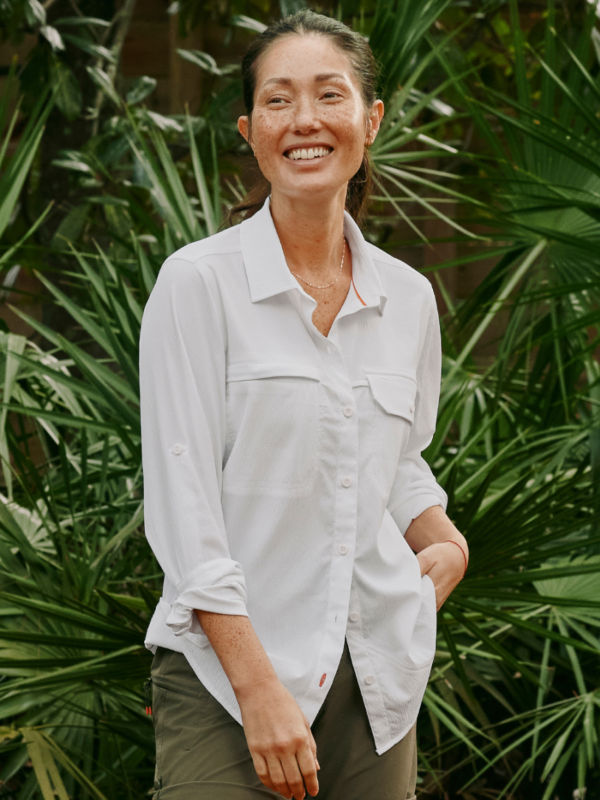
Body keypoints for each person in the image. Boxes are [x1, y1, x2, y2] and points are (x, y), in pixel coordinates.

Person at [139, 9, 468, 800]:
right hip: (225, 674)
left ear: (370, 121)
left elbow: (393, 460)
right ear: (252, 131)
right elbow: (182, 502)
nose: (306, 121)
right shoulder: (198, 284)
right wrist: (257, 689)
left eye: (330, 94)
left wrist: (442, 535)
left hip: (376, 678)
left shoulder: (411, 299)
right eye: (280, 101)